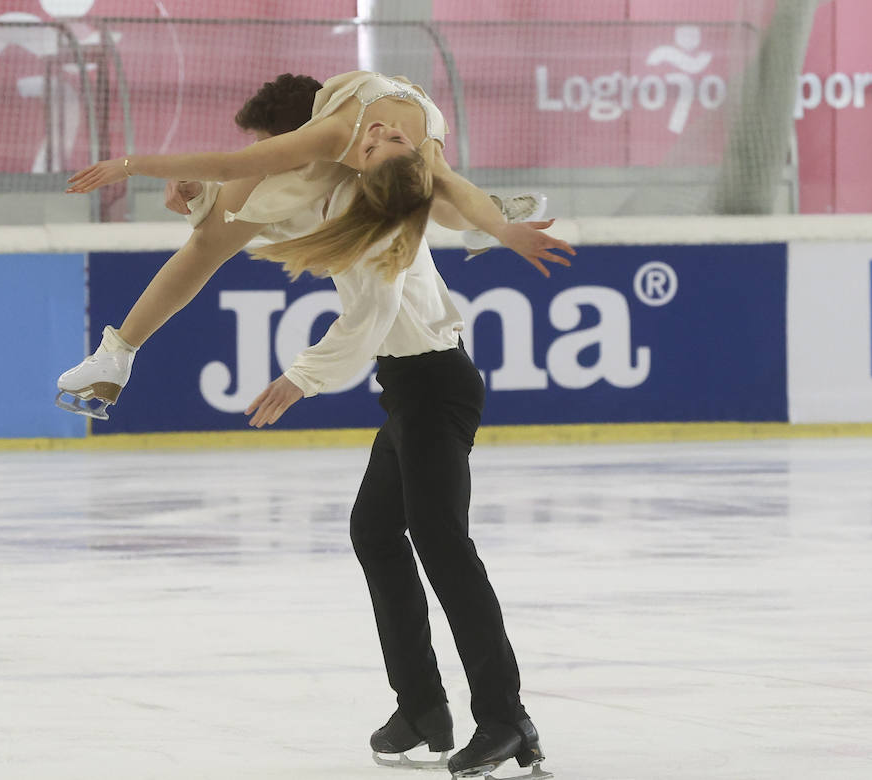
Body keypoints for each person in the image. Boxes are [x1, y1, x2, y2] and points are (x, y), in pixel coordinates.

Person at [143, 127, 570, 775]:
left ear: (376, 172)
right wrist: (202, 196)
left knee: (442, 544)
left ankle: (506, 717)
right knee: (374, 531)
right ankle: (424, 707)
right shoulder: (343, 194)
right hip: (408, 387)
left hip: (435, 386)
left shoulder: (384, 235)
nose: (376, 130)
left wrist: (299, 379)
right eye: (379, 129)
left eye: (387, 140)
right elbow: (268, 215)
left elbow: (367, 318)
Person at [57, 70, 553, 419]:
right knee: (437, 196)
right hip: (381, 178)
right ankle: (117, 353)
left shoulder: (355, 142)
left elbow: (232, 169)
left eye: (260, 145)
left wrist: (132, 167)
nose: (380, 134)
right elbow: (231, 168)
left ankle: (118, 353)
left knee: (210, 240)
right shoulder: (378, 139)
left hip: (431, 368)